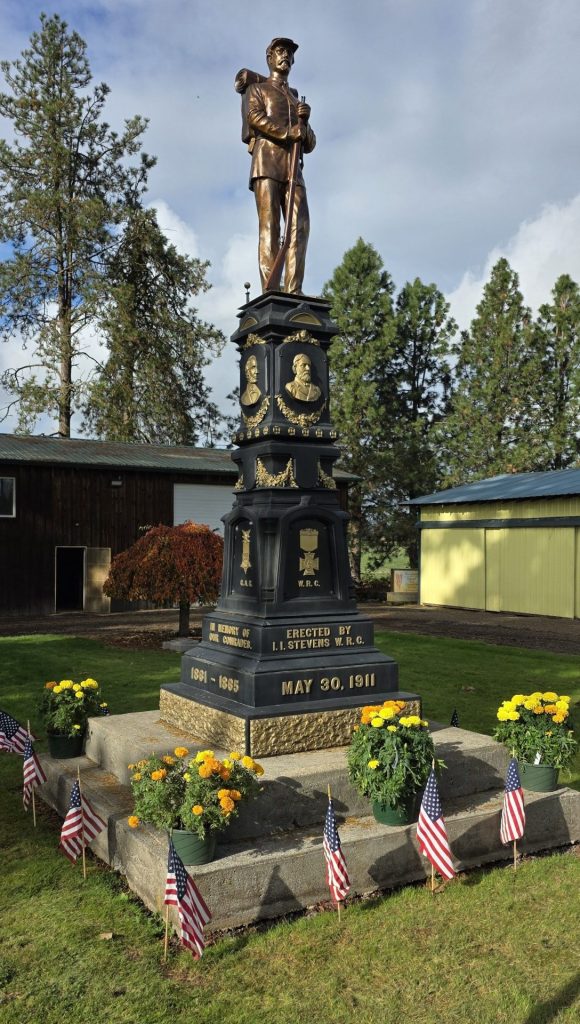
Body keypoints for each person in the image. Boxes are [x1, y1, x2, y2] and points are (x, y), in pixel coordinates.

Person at [245, 38, 316, 294]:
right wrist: (289, 134)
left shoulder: (297, 100)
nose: (285, 55)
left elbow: (310, 142)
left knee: (300, 226)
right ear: (270, 58)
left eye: (288, 53)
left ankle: (293, 290)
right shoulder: (258, 90)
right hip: (267, 164)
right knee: (270, 227)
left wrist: (304, 125)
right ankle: (271, 290)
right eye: (280, 51)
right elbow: (255, 118)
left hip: (292, 170)